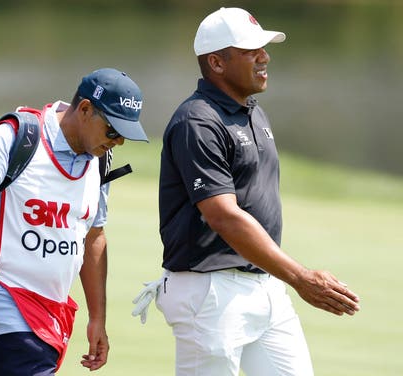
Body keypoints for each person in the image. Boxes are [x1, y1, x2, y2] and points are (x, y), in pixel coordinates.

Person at [154, 7, 360, 376]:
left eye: (263, 48)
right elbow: (223, 216)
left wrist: (285, 278)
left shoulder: (251, 112)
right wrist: (300, 277)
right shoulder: (198, 121)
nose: (264, 56)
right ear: (217, 63)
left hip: (265, 286)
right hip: (210, 292)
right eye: (251, 50)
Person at [0, 67, 148, 375]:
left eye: (124, 135)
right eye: (113, 131)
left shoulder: (99, 158)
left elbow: (93, 236)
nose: (118, 142)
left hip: (50, 313)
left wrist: (97, 318)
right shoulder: (17, 136)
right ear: (86, 109)